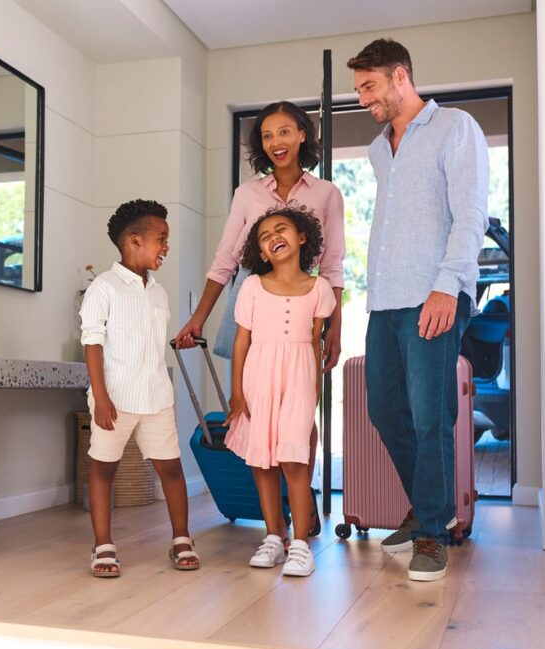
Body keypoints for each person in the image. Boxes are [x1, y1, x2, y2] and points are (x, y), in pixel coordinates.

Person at [348, 38, 488, 581]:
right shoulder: (380, 149)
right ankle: (432, 508)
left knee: (432, 416)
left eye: (369, 87)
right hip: (385, 298)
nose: (362, 99)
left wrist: (447, 286)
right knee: (384, 410)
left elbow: (470, 214)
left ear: (400, 76)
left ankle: (432, 530)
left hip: (435, 292)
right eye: (359, 89)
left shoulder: (456, 128)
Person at [174, 101, 346, 542]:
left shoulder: (327, 194)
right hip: (253, 301)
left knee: (299, 412)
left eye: (285, 132)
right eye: (267, 136)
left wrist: (335, 330)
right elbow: (226, 259)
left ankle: (299, 496)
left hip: (305, 307)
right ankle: (273, 523)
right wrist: (198, 318)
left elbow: (332, 265)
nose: (276, 143)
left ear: (302, 135)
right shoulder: (247, 194)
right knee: (253, 409)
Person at [79, 199, 201, 578]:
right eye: (160, 239)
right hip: (114, 399)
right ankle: (103, 545)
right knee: (104, 469)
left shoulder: (158, 292)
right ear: (134, 240)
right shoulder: (104, 287)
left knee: (172, 469)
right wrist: (100, 396)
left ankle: (181, 538)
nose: (166, 246)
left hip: (157, 397)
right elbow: (93, 342)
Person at [224, 207, 336, 577]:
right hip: (260, 378)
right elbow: (242, 342)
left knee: (294, 459)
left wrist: (315, 390)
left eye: (281, 229)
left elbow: (316, 341)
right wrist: (237, 391)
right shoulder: (253, 287)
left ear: (302, 237)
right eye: (264, 236)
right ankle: (275, 536)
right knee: (262, 460)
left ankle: (301, 544)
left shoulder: (319, 288)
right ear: (261, 253)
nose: (273, 236)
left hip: (299, 378)